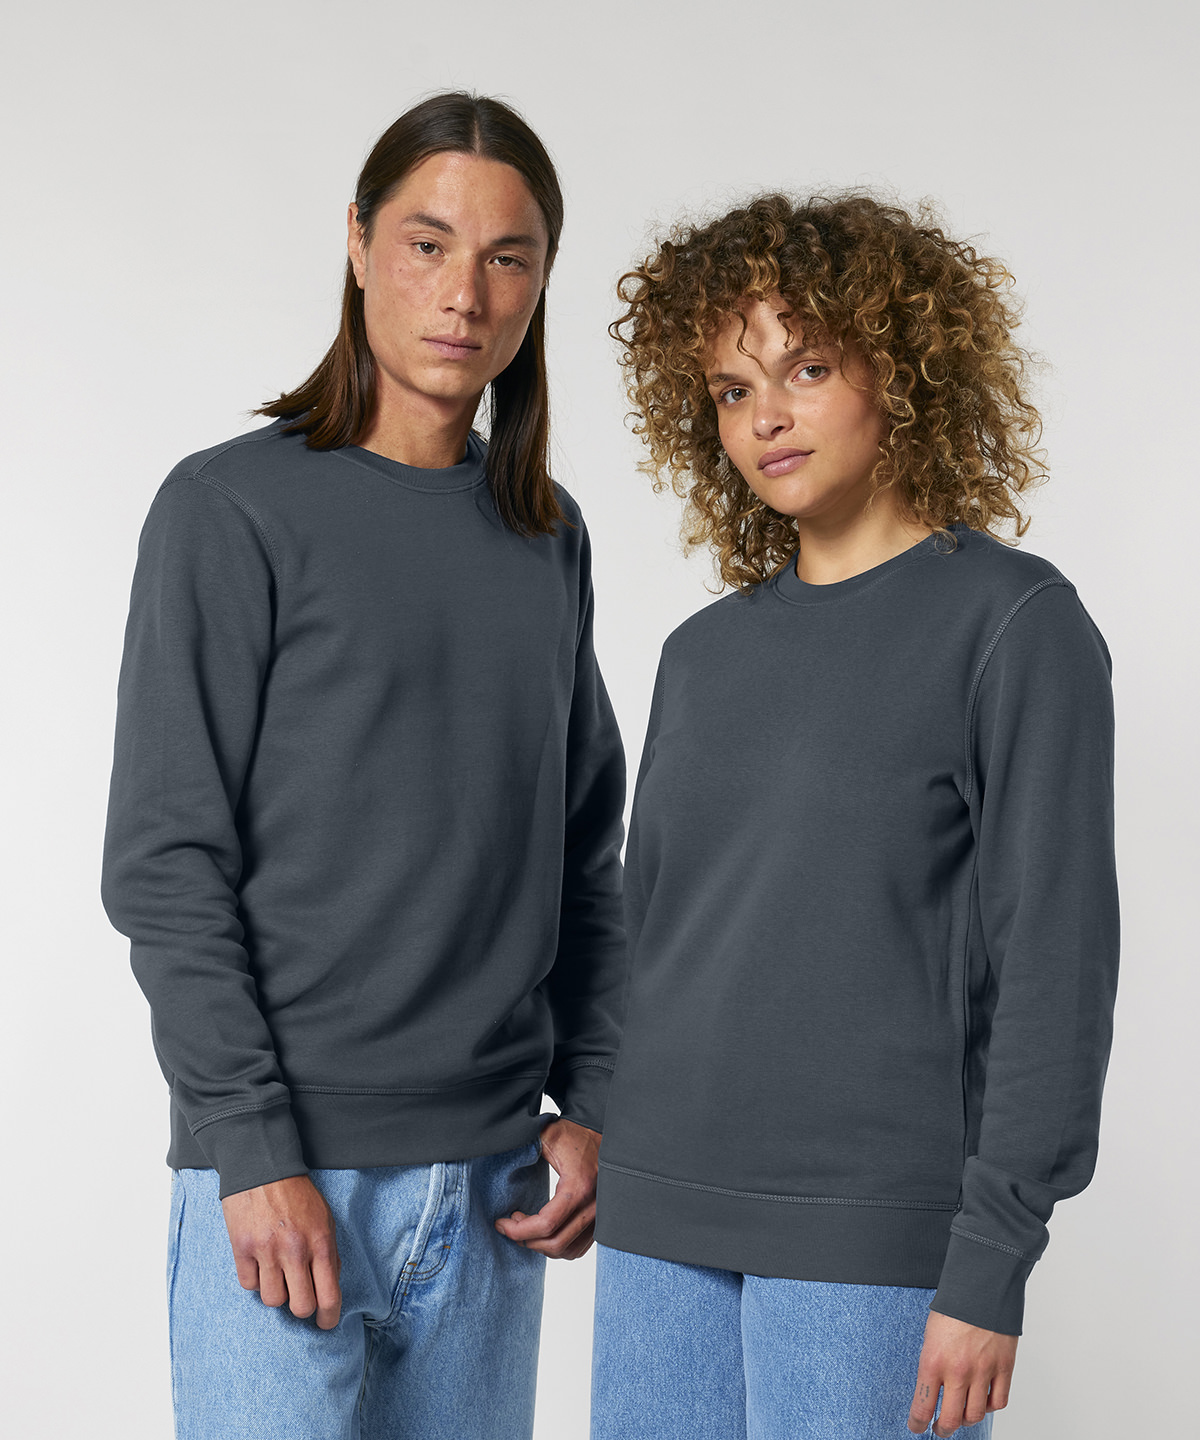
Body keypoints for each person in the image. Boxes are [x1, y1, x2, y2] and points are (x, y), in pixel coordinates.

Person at [101, 91, 626, 1440]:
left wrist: (596, 1101)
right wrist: (249, 1147)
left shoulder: (547, 536)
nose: (465, 294)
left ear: (541, 282)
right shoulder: (231, 509)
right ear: (357, 240)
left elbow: (584, 854)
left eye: (507, 258)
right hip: (291, 1179)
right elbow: (165, 862)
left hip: (497, 1186)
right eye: (427, 244)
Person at [592, 193, 1118, 1439]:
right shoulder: (700, 655)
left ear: (903, 369)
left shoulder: (1013, 625)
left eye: (808, 368)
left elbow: (1055, 963)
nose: (765, 417)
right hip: (657, 1219)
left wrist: (993, 1256)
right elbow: (652, 933)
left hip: (869, 1234)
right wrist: (598, 1126)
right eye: (731, 390)